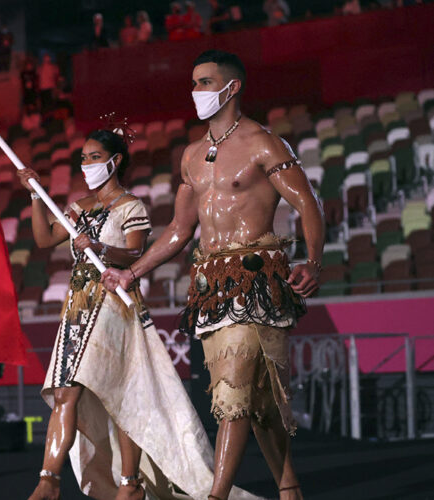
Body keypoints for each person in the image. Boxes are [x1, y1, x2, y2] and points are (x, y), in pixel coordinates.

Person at [103, 50, 323, 500]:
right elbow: (180, 230)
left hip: (257, 280)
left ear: (232, 87)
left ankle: (216, 495)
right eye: (195, 82)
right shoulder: (190, 156)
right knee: (256, 404)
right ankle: (289, 489)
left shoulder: (265, 144)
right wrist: (133, 272)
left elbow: (308, 204)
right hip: (210, 288)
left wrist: (313, 261)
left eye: (205, 82)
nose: (196, 91)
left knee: (233, 395)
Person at [21, 123, 263, 500]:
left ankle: (129, 484)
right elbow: (43, 239)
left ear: (115, 162)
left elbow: (135, 252)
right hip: (77, 308)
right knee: (66, 390)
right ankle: (48, 480)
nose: (87, 164)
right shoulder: (77, 208)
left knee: (118, 396)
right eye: (83, 158)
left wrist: (101, 248)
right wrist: (36, 196)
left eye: (95, 157)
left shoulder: (131, 206)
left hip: (114, 306)